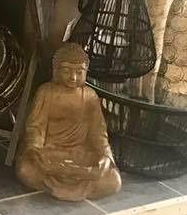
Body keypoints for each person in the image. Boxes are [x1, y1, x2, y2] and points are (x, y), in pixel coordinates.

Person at [15, 43, 122, 201]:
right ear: (56, 71)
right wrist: (34, 151)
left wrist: (105, 158)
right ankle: (63, 184)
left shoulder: (90, 96)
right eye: (66, 71)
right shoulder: (46, 92)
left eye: (79, 72)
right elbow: (36, 128)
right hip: (51, 153)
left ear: (86, 71)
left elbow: (99, 134)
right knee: (25, 170)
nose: (73, 77)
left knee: (113, 181)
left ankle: (67, 185)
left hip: (80, 155)